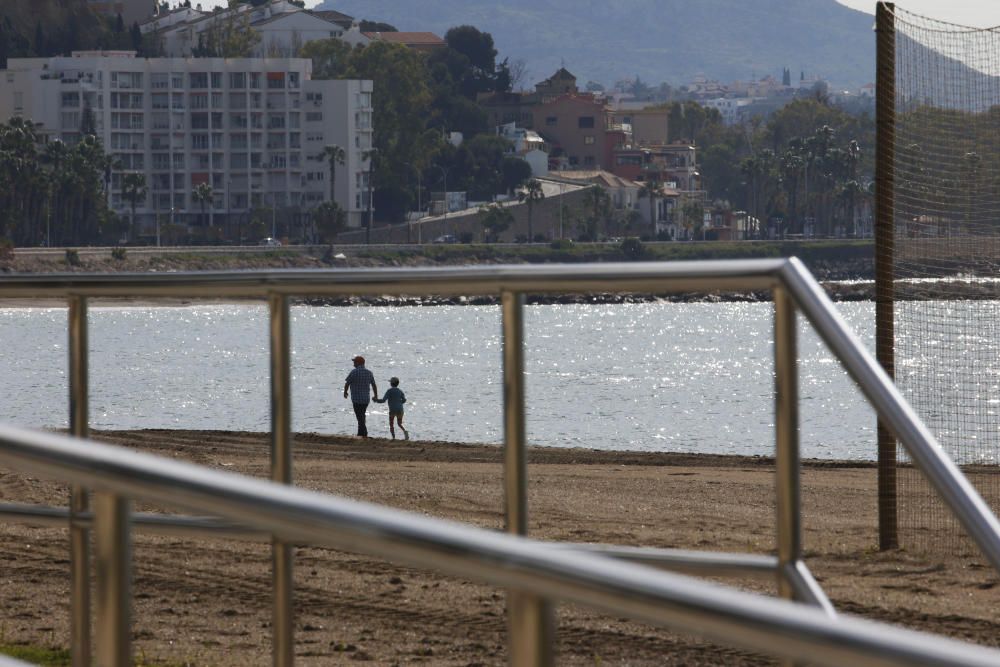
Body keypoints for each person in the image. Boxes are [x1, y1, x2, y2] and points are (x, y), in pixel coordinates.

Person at [343, 355, 377, 437]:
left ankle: (364, 433)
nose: (353, 363)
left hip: (356, 399)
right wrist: (375, 395)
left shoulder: (354, 372)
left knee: (359, 416)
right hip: (366, 399)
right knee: (362, 415)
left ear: (358, 363)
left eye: (354, 362)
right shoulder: (369, 372)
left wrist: (345, 392)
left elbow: (347, 383)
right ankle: (360, 434)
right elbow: (374, 385)